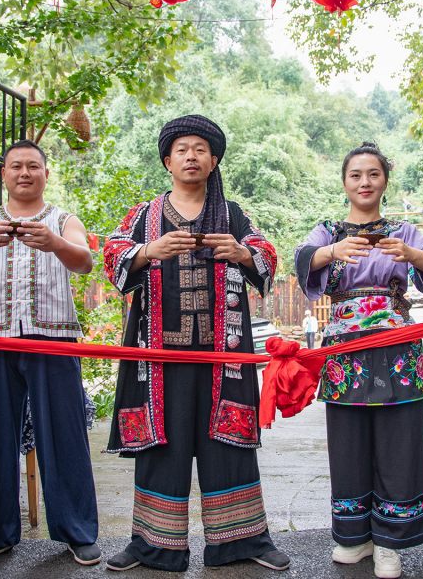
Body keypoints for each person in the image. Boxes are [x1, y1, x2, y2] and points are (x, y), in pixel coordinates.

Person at [102, 115, 290, 573]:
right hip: (158, 358)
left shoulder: (232, 214)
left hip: (223, 355)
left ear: (214, 160)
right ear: (168, 161)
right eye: (182, 149)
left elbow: (266, 253)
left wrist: (244, 253)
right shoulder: (145, 216)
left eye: (201, 149)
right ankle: (152, 544)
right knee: (161, 447)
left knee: (229, 442)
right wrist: (149, 251)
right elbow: (111, 255)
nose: (191, 156)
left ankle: (242, 542)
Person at [294, 142, 423, 579]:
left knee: (399, 440)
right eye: (356, 175)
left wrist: (412, 255)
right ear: (345, 182)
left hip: (398, 342)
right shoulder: (327, 229)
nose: (365, 182)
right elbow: (303, 259)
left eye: (373, 174)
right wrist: (332, 252)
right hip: (343, 345)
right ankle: (353, 536)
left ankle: (390, 542)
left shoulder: (403, 231)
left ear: (385, 181)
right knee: (348, 440)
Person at [0, 139, 100, 566]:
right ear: (4, 173)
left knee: (64, 433)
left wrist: (52, 242)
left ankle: (77, 531)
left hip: (51, 337)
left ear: (45, 174)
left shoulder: (63, 220)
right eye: (15, 166)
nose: (24, 173)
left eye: (33, 166)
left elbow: (85, 261)